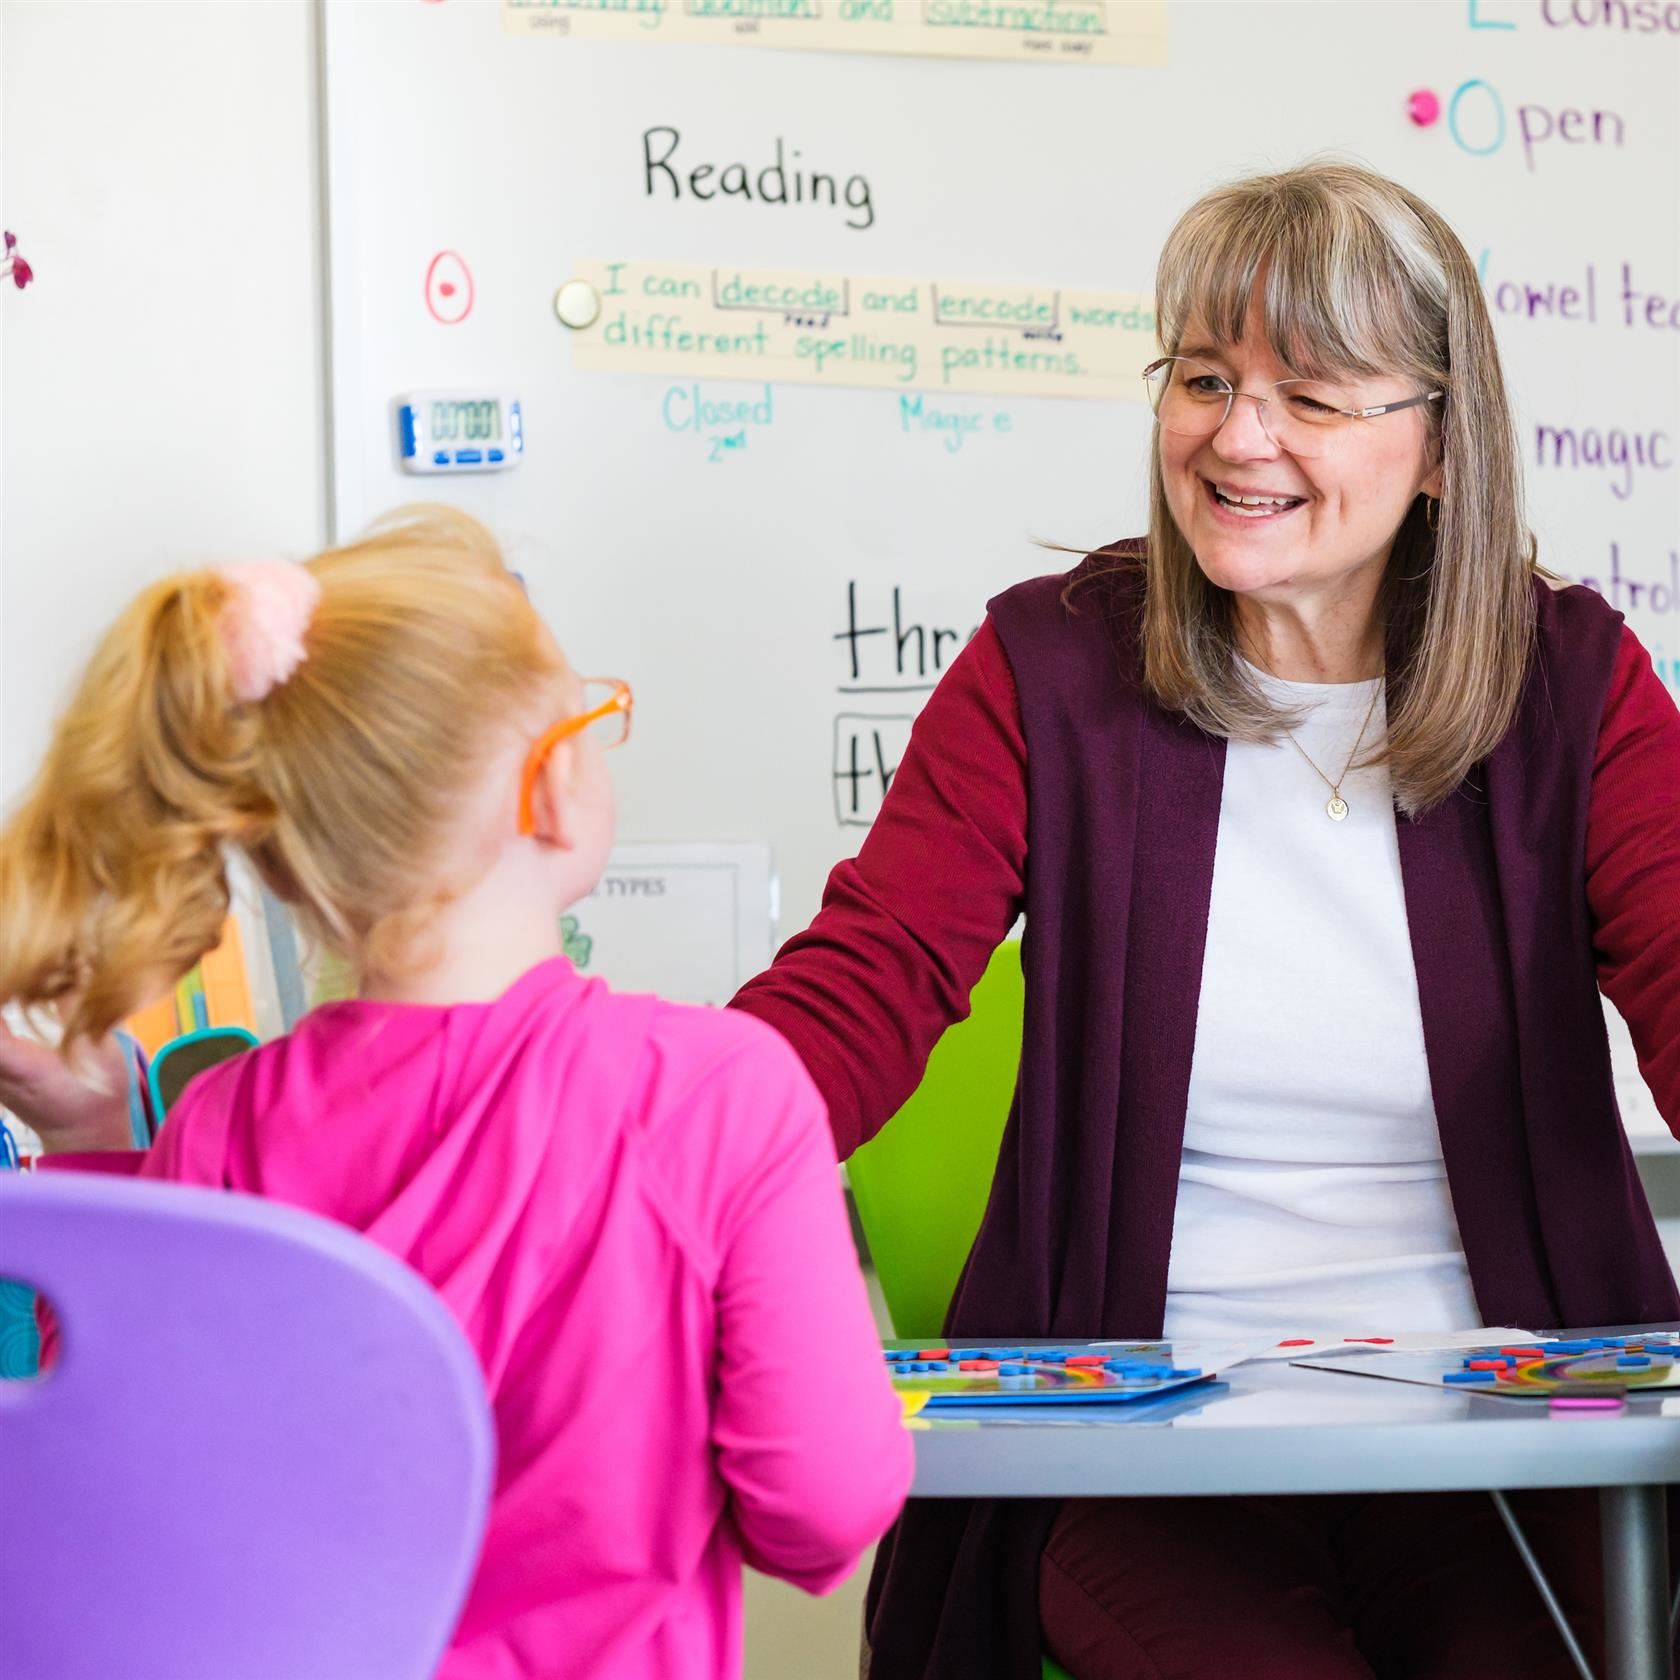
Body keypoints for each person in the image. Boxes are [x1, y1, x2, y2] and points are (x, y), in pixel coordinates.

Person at [731, 160, 1680, 1679]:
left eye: (1310, 394)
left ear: (1438, 444)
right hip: (1148, 1450)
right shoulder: (1050, 667)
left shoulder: (1573, 682)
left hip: (1500, 1443)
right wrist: (626, 1156)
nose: (1239, 437)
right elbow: (868, 982)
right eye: (1204, 377)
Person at [1, 507, 912, 1680]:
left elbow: (132, 1471)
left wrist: (84, 1131)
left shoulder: (221, 1127)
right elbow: (826, 1506)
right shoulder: (721, 1098)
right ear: (551, 788)